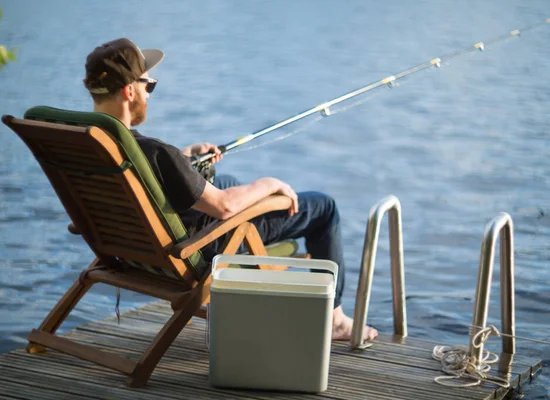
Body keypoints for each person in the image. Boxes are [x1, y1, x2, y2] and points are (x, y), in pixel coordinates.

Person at [82, 38, 377, 341]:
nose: (149, 93)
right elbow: (223, 207)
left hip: (133, 247)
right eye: (149, 85)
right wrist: (270, 184)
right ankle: (336, 320)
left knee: (226, 180)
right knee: (323, 208)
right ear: (129, 90)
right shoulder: (154, 152)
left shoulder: (88, 144)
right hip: (195, 244)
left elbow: (143, 180)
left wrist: (183, 160)